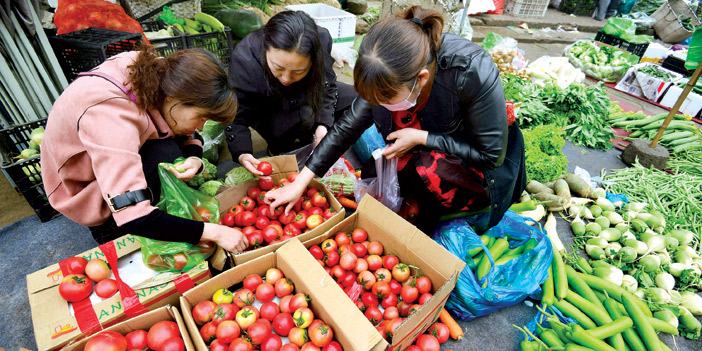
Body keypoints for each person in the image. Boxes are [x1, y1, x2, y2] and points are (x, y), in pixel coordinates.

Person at [264, 6, 527, 233]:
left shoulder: (470, 71)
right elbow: (348, 126)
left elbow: (491, 156)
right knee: (374, 174)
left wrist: (422, 138)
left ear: (421, 78)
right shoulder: (386, 69)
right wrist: (301, 182)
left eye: (386, 98)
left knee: (428, 185)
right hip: (419, 138)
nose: (379, 104)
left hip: (477, 161)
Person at [41, 47, 248, 253]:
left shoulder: (162, 75)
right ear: (173, 99)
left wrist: (194, 158)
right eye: (201, 118)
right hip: (85, 188)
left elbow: (188, 129)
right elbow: (135, 217)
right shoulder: (110, 116)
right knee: (164, 158)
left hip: (115, 148)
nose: (202, 126)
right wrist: (214, 232)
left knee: (169, 153)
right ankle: (107, 230)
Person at [225, 10, 357, 178]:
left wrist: (323, 124)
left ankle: (314, 132)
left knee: (358, 100)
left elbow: (327, 85)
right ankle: (281, 144)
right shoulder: (244, 60)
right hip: (269, 105)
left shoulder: (321, 40)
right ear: (265, 50)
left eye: (298, 71)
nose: (286, 78)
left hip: (307, 91)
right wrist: (242, 152)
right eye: (278, 68)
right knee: (297, 122)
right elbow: (236, 114)